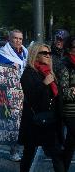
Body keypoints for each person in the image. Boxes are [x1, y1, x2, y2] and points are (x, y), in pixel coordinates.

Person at [18, 42, 64, 172]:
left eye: (49, 53)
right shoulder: (28, 73)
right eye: (44, 53)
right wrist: (44, 83)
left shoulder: (49, 72)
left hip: (50, 121)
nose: (48, 56)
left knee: (56, 154)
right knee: (29, 154)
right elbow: (31, 96)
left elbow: (55, 96)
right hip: (34, 121)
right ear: (35, 55)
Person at [0, 29, 28, 161]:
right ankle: (14, 151)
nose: (18, 41)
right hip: (10, 93)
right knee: (14, 122)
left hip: (25, 90)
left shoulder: (25, 52)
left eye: (20, 38)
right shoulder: (2, 53)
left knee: (25, 122)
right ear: (9, 39)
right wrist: (8, 65)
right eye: (15, 38)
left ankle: (24, 148)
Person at [59, 37, 75, 171]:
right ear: (69, 48)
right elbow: (63, 90)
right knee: (71, 142)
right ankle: (62, 167)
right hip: (70, 110)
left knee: (71, 142)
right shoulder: (65, 64)